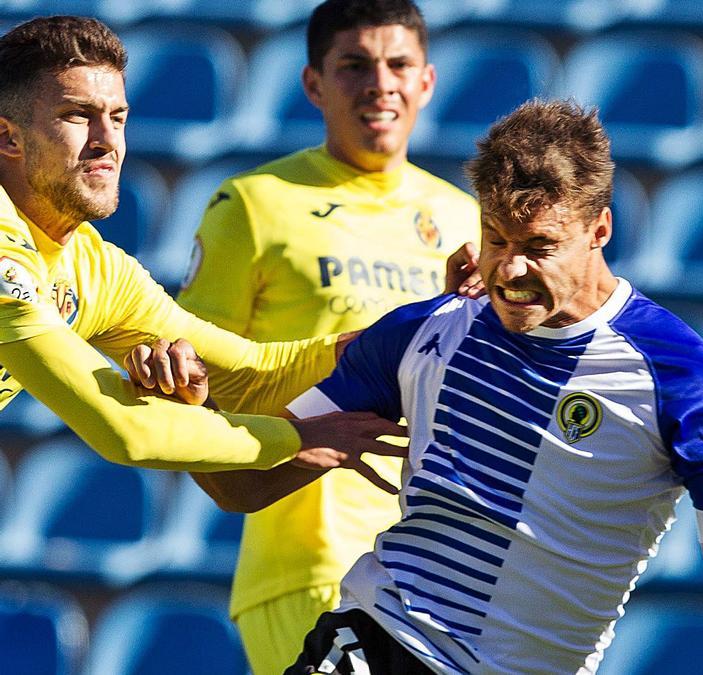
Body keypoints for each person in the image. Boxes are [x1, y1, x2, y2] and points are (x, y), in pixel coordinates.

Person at [180, 99, 703, 673]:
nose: (512, 268)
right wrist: (190, 409)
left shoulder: (688, 382)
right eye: (497, 238)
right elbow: (241, 488)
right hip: (381, 642)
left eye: (539, 246)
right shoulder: (423, 332)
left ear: (600, 229)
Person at [173, 1, 480, 670]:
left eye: (398, 64)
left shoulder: (466, 219)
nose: (380, 84)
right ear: (313, 83)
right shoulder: (255, 204)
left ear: (427, 80)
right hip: (312, 559)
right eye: (354, 65)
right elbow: (190, 376)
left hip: (446, 564)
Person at [0, 17, 400, 482]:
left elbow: (252, 375)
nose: (108, 141)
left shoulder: (95, 268)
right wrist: (298, 440)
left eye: (118, 118)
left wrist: (410, 334)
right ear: (8, 136)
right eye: (77, 115)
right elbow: (126, 431)